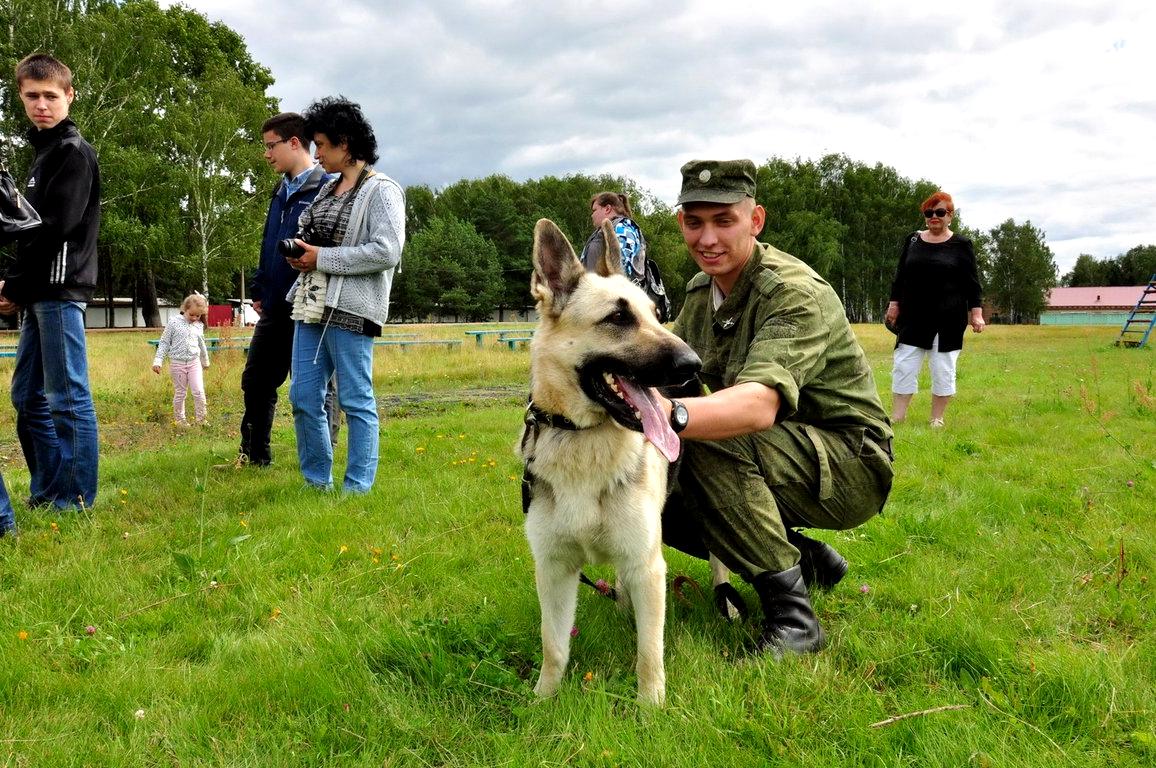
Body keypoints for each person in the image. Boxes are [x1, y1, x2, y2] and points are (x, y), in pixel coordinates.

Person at [657, 159, 894, 656]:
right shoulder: (702, 293)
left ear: (755, 220)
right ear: (681, 223)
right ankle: (808, 562)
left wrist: (661, 417)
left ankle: (795, 621)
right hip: (783, 451)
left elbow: (758, 406)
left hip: (850, 461)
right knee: (657, 498)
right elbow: (663, 362)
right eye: (695, 222)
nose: (708, 238)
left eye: (725, 221)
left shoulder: (792, 293)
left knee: (697, 441)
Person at [287, 97, 405, 493]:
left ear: (346, 143)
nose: (316, 153)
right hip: (311, 305)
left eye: (321, 144)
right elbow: (315, 237)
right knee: (303, 396)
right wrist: (304, 253)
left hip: (353, 309)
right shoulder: (326, 190)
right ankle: (316, 482)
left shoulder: (382, 191)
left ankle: (357, 488)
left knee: (355, 400)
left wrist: (324, 257)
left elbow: (387, 251)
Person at [0, 54, 100, 510]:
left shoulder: (71, 152)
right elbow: (26, 228)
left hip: (59, 288)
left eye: (51, 96)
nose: (42, 104)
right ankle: (48, 489)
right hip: (38, 289)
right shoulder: (43, 151)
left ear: (69, 97)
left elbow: (55, 227)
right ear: (20, 97)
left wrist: (14, 286)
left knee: (67, 395)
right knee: (27, 395)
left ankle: (74, 499)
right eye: (32, 96)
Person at [239, 112, 341, 467]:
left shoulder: (328, 188)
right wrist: (259, 285)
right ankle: (253, 456)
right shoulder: (280, 190)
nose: (266, 154)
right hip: (274, 306)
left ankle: (320, 460)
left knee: (316, 389)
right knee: (255, 379)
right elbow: (270, 242)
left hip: (311, 305)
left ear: (294, 143)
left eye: (271, 146)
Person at [884, 191, 984, 428]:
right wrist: (894, 303)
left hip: (948, 319)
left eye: (939, 212)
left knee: (942, 368)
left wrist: (976, 313)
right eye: (929, 213)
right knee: (904, 365)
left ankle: (937, 418)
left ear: (950, 215)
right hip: (913, 317)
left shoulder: (962, 244)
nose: (934, 217)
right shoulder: (913, 240)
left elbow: (973, 282)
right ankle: (898, 416)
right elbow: (900, 276)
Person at [580, 191, 671, 322]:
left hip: (620, 307)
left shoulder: (623, 227)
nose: (592, 215)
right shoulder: (604, 230)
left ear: (607, 208)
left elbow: (622, 265)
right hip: (603, 303)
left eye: (594, 210)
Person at [152, 293, 211, 426]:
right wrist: (158, 361)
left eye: (198, 315)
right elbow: (164, 342)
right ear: (185, 308)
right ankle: (180, 420)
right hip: (177, 364)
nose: (194, 318)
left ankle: (201, 419)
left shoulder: (198, 325)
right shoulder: (174, 322)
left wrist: (205, 361)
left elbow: (201, 344)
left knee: (199, 391)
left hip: (194, 363)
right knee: (180, 393)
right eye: (192, 315)